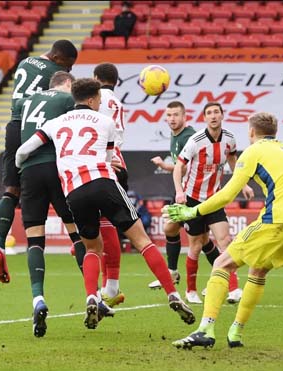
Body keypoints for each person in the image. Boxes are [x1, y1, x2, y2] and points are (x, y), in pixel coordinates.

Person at [15, 78, 195, 330]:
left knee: (91, 248)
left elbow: (23, 150)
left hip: (74, 192)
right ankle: (172, 294)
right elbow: (109, 159)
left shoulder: (54, 123)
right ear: (91, 100)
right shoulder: (105, 121)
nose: (101, 103)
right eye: (99, 99)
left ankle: (92, 296)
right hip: (102, 181)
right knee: (143, 241)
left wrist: (21, 164)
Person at [167, 112, 283, 349]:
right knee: (258, 271)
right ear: (275, 132)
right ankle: (235, 333)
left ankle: (205, 330)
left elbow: (227, 194)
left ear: (251, 132)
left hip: (278, 220)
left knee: (221, 264)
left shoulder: (254, 151)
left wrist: (192, 212)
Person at [14, 71, 103, 337]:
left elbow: (19, 143)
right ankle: (94, 296)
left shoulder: (26, 101)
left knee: (34, 240)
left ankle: (37, 298)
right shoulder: (67, 100)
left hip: (29, 171)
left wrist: (19, 167)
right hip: (57, 168)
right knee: (77, 234)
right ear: (66, 84)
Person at [0, 40, 79, 284]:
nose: (69, 71)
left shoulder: (25, 61)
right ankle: (79, 245)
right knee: (59, 189)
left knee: (11, 190)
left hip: (13, 125)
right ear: (59, 58)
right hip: (34, 125)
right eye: (68, 65)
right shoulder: (56, 74)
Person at [172, 102, 252, 305]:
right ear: (204, 118)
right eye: (209, 113)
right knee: (196, 245)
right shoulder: (195, 141)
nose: (213, 116)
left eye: (216, 112)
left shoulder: (230, 138)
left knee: (225, 240)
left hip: (215, 198)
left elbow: (234, 161)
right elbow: (178, 167)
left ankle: (233, 289)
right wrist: (179, 192)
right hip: (192, 199)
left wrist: (242, 184)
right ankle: (190, 291)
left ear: (222, 115)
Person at [148, 101, 203, 290]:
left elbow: (185, 168)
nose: (172, 119)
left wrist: (164, 166)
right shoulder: (176, 134)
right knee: (170, 229)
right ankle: (172, 272)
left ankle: (226, 281)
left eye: (176, 115)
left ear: (184, 116)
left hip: (192, 192)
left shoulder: (188, 136)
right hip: (182, 191)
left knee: (201, 240)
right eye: (169, 115)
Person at [93, 62, 128, 308]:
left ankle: (111, 286)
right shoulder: (117, 101)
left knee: (101, 225)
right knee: (106, 225)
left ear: (96, 78)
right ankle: (110, 285)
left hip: (103, 161)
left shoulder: (98, 98)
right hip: (117, 159)